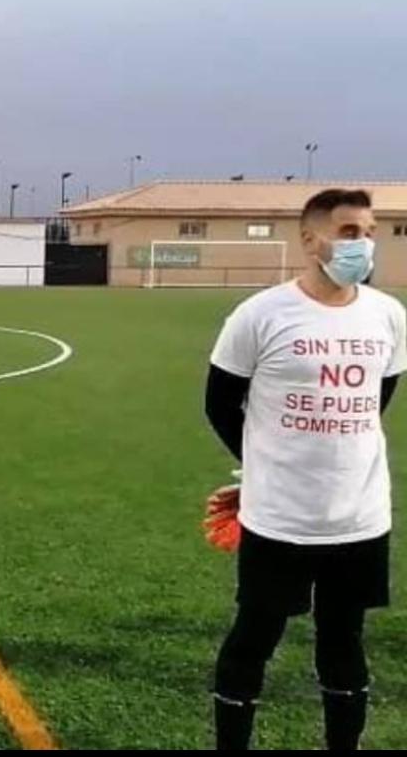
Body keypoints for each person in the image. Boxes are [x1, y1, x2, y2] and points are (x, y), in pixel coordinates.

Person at [204, 188, 406, 750]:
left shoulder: (388, 315)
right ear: (310, 239)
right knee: (254, 638)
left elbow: (375, 399)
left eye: (368, 232)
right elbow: (220, 405)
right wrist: (263, 469)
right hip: (279, 520)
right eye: (348, 232)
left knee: (344, 642)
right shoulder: (261, 315)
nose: (362, 244)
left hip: (359, 519)